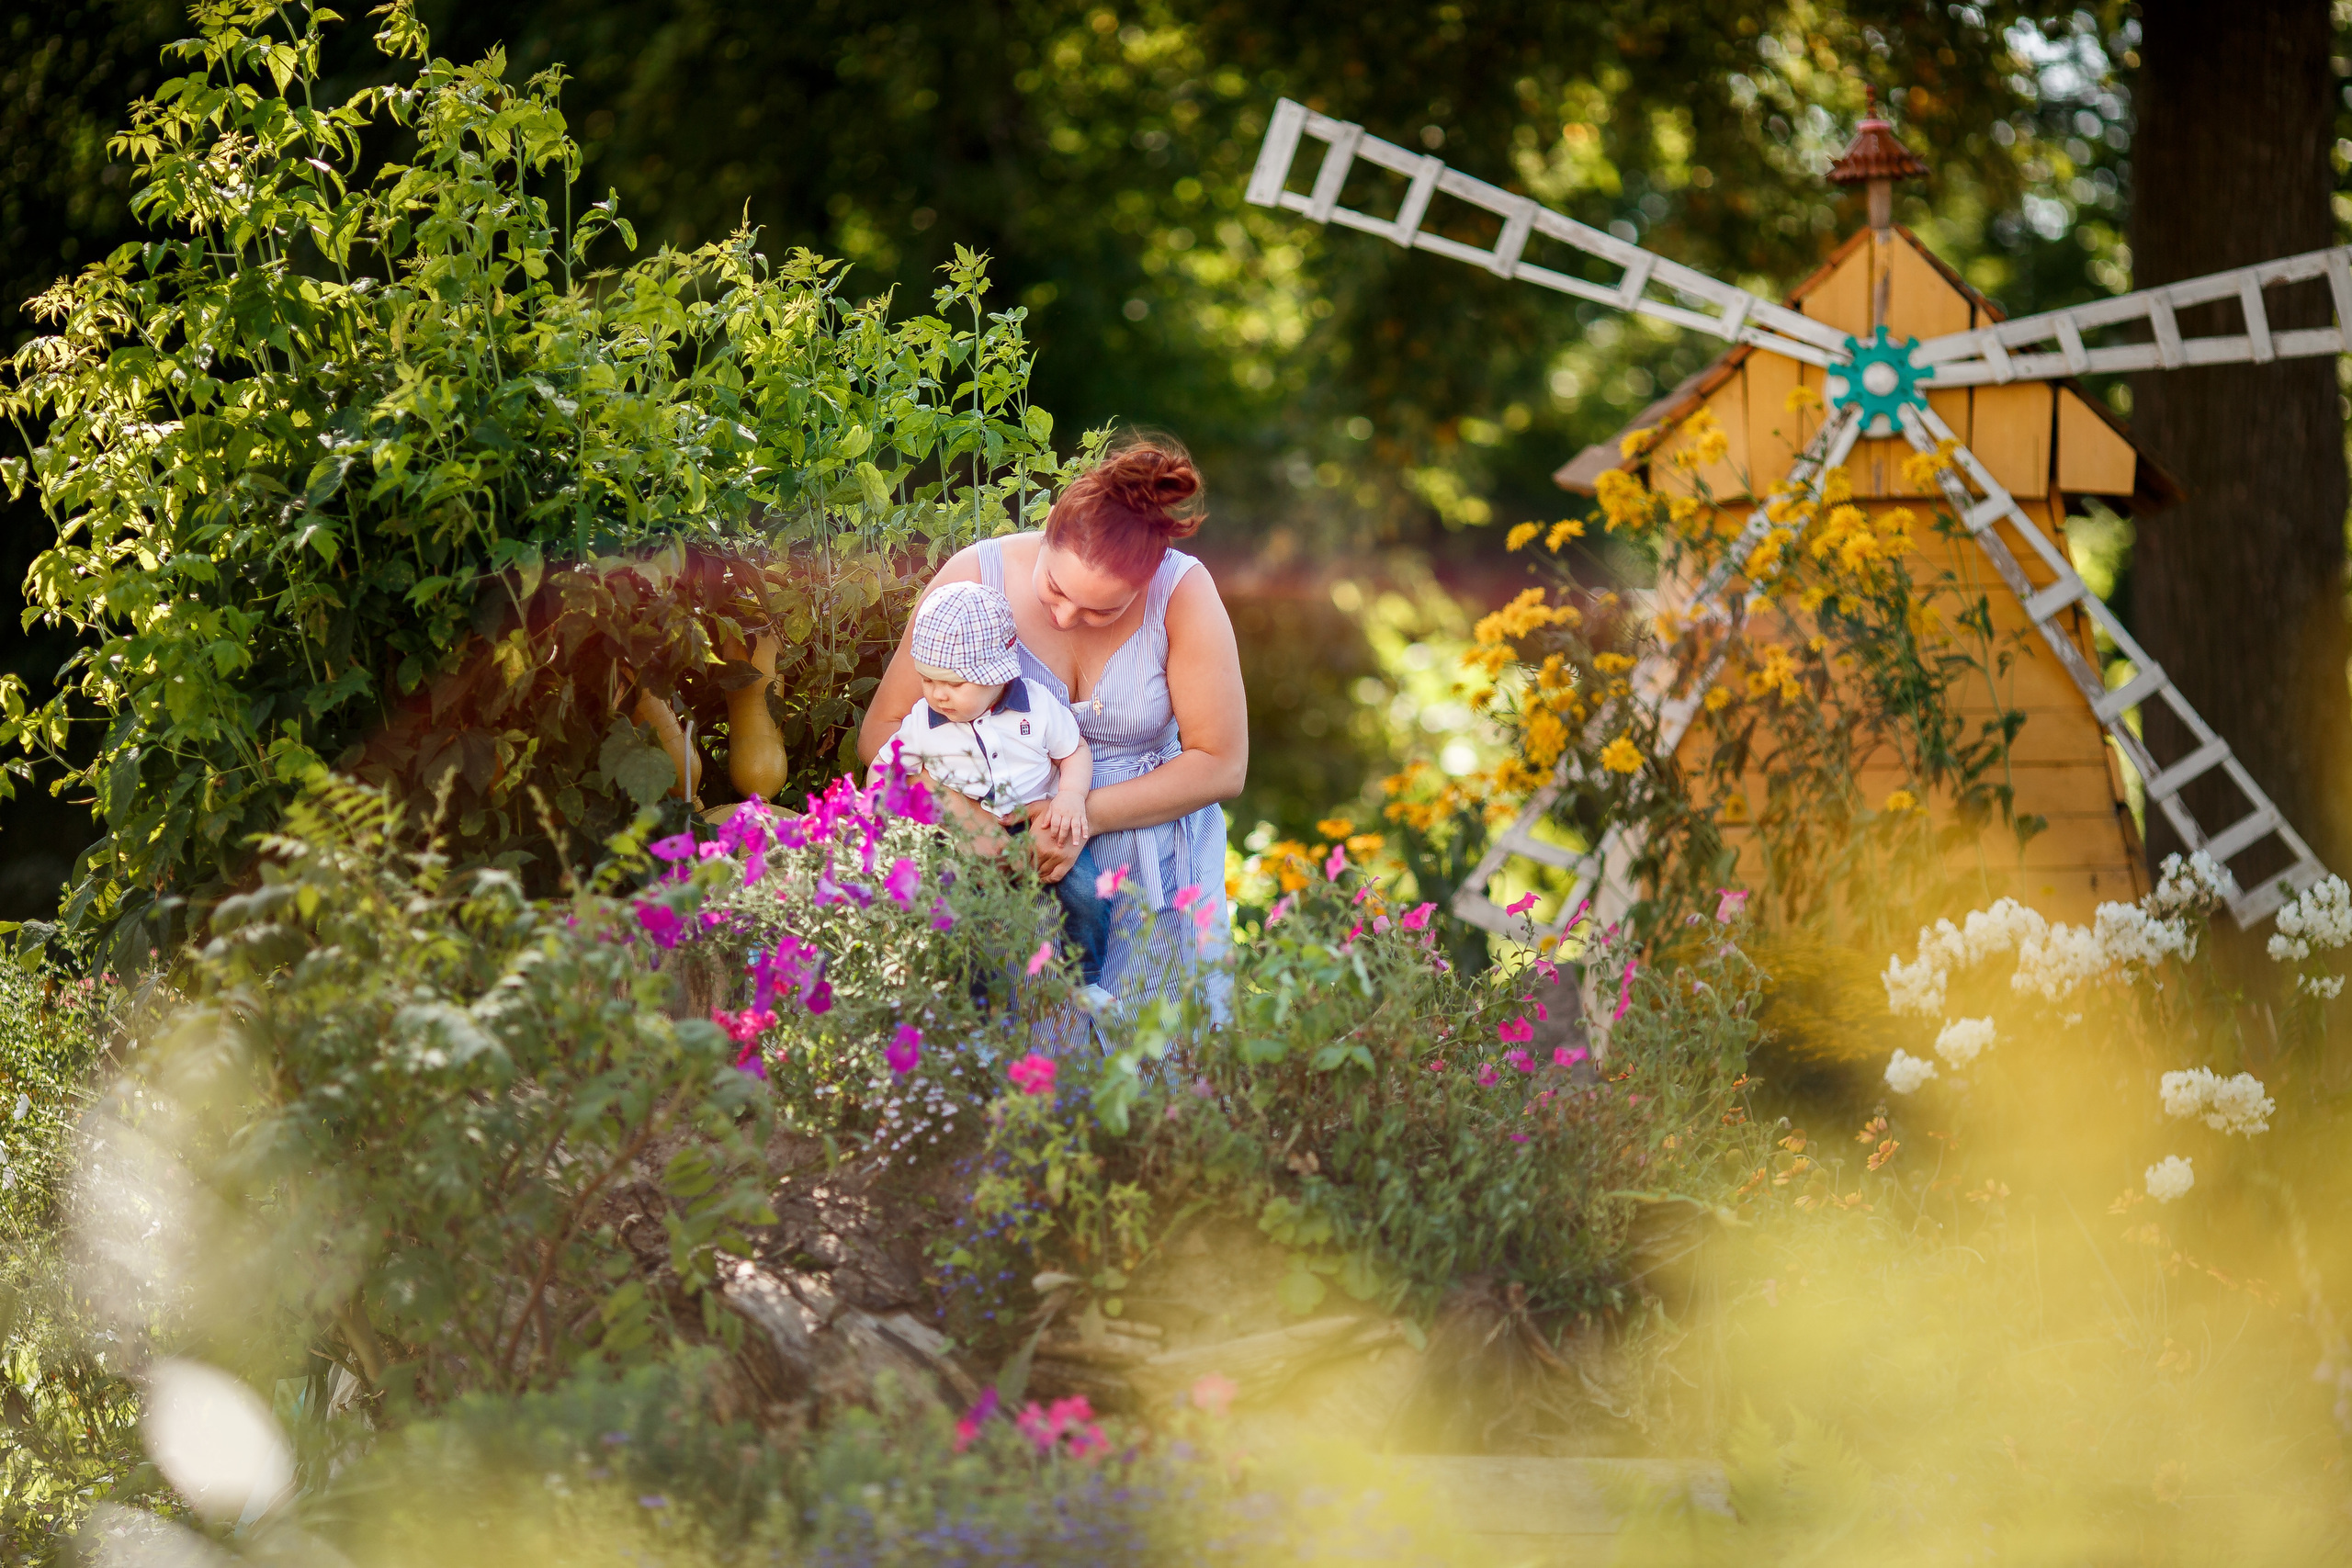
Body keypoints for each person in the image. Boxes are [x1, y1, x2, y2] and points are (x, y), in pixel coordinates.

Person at [859, 433, 1247, 1018]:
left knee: (1156, 1071)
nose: (1067, 618)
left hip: (1156, 866)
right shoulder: (975, 577)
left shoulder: (1183, 593)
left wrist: (1074, 817)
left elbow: (1221, 763)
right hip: (1006, 858)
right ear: (1049, 531)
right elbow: (882, 735)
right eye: (1055, 590)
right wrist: (981, 827)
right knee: (1027, 1074)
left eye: (1102, 610)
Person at [875, 581, 1114, 1004]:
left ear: (999, 675)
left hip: (1042, 821)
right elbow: (888, 770)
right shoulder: (922, 723)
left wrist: (1071, 797)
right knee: (963, 916)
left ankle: (1087, 979)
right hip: (968, 839)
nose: (938, 694)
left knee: (1086, 889)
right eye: (928, 679)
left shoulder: (1036, 708)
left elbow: (1073, 751)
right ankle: (977, 1011)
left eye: (955, 683)